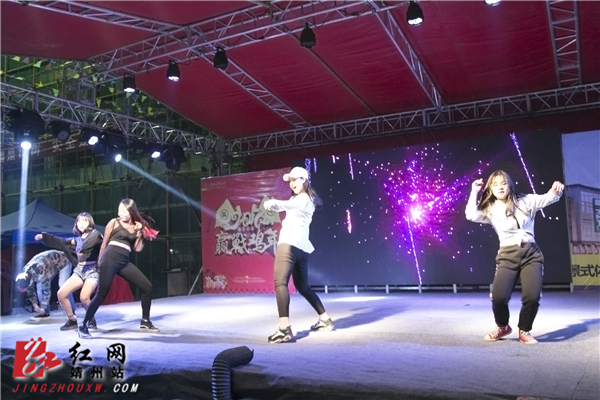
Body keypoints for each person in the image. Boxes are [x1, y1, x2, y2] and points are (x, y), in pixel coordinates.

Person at [465, 170, 564, 344]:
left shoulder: (526, 200)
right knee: (498, 298)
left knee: (532, 297)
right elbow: (471, 215)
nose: (500, 187)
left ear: (510, 185)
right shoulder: (490, 208)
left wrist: (555, 191)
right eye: (495, 185)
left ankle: (524, 330)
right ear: (491, 189)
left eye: (503, 183)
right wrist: (474, 191)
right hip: (507, 256)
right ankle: (502, 326)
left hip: (531, 254)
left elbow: (548, 198)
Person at [263, 166, 334, 344]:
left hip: (289, 244)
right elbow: (290, 207)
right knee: (302, 286)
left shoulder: (303, 198)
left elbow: (288, 205)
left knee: (280, 283)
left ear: (304, 180)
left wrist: (273, 202)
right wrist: (275, 205)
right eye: (290, 180)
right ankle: (325, 319)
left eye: (295, 179)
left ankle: (284, 329)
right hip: (301, 248)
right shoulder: (303, 198)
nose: (292, 183)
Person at [78, 198, 159, 339]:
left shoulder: (135, 227)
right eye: (119, 210)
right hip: (109, 259)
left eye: (123, 211)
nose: (120, 213)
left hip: (124, 262)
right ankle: (83, 326)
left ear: (131, 212)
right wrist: (99, 263)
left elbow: (137, 249)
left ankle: (145, 322)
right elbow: (104, 244)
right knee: (101, 294)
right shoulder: (114, 222)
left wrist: (140, 233)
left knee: (147, 287)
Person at [35, 212, 103, 331]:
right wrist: (44, 237)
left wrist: (82, 249)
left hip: (92, 271)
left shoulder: (95, 235)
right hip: (79, 271)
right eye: (79, 221)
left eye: (85, 220)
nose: (81, 223)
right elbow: (62, 241)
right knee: (61, 294)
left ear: (90, 222)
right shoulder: (77, 240)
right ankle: (72, 319)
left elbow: (95, 243)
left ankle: (91, 318)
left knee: (84, 298)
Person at [15, 249, 73, 320]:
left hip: (64, 260)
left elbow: (46, 291)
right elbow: (30, 289)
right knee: (40, 286)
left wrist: (43, 307)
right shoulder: (24, 274)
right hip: (50, 265)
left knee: (63, 287)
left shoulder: (40, 272)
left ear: (30, 280)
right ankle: (44, 313)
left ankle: (71, 311)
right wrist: (34, 304)